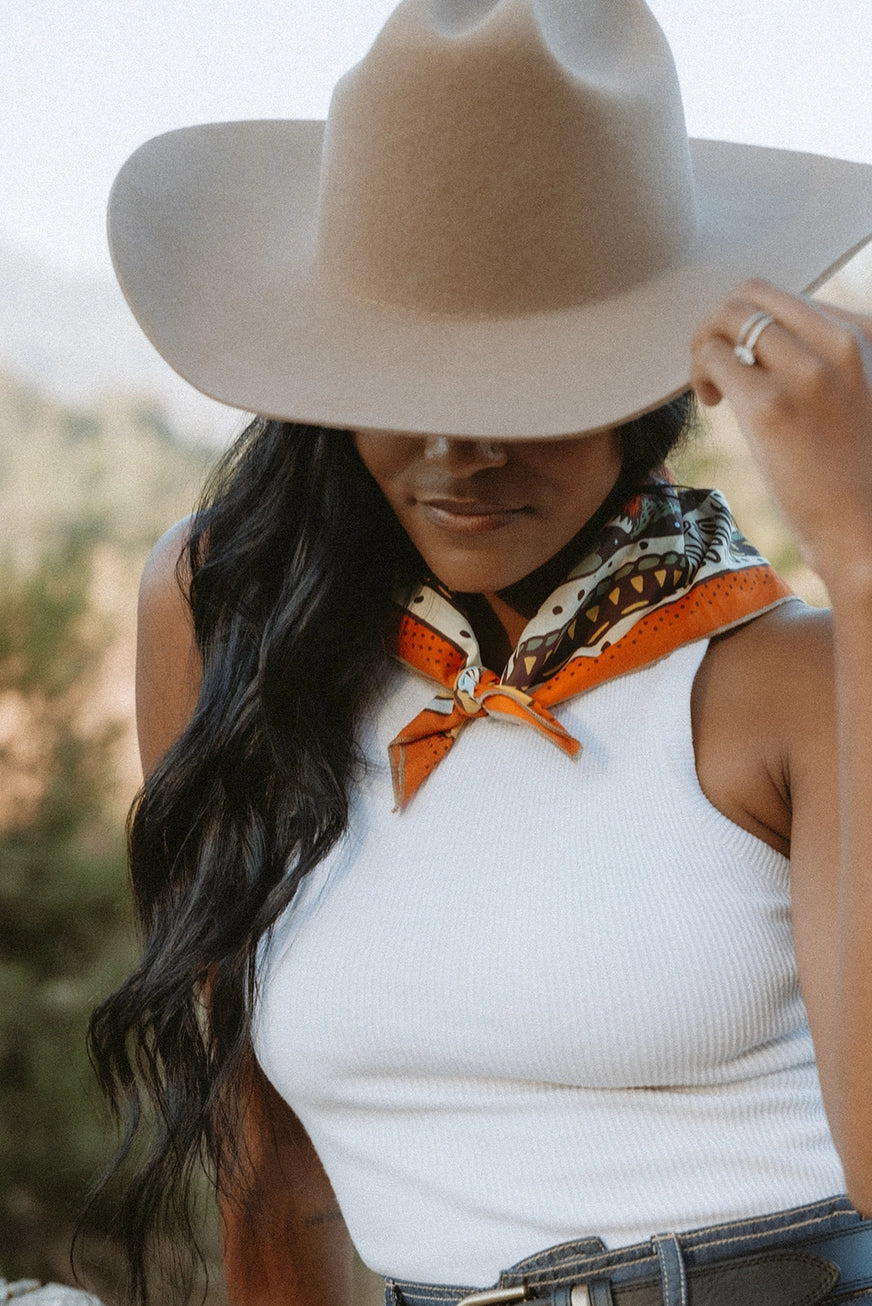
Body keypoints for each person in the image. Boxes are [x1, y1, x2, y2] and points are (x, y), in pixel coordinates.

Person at [88, 1, 872, 1304]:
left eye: (530, 386)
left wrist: (866, 559)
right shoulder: (228, 613)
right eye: (407, 377)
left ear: (654, 381)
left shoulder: (790, 679)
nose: (463, 452)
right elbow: (268, 1172)